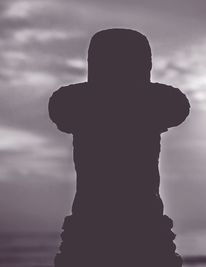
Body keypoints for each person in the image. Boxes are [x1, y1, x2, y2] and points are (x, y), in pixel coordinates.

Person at [49, 28, 190, 267]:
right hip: (141, 230)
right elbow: (177, 107)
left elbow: (60, 110)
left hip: (92, 232)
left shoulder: (77, 103)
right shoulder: (152, 103)